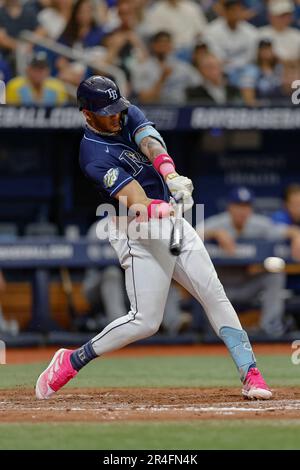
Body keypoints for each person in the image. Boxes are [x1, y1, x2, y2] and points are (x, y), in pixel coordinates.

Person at [36, 75, 273, 401]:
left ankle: (250, 372)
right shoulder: (92, 154)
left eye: (117, 108)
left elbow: (149, 139)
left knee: (212, 291)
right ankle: (72, 359)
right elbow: (136, 198)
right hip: (136, 230)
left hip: (170, 224)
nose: (115, 116)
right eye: (106, 112)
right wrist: (159, 206)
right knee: (145, 321)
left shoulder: (123, 112)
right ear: (87, 114)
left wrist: (170, 173)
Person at [196, 186, 300, 337]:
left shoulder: (257, 223)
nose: (242, 211)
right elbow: (191, 233)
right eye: (238, 206)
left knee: (275, 276)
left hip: (246, 285)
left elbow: (280, 230)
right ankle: (205, 331)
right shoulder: (218, 223)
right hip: (219, 289)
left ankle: (270, 328)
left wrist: (296, 234)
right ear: (230, 207)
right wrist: (215, 233)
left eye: (246, 206)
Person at [132, 31, 201, 104]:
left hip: (181, 108)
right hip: (155, 110)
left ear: (171, 45)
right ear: (153, 45)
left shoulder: (183, 67)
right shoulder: (143, 68)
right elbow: (145, 99)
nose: (164, 46)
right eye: (160, 43)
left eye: (167, 43)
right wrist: (162, 78)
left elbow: (200, 85)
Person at [204, 0, 258, 87]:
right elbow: (215, 56)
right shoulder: (212, 30)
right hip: (222, 69)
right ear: (225, 12)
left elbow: (251, 56)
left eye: (239, 10)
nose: (236, 13)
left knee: (251, 72)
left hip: (244, 68)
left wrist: (238, 64)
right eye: (233, 10)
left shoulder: (251, 32)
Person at [240, 39, 283, 106]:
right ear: (258, 51)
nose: (266, 52)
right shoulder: (250, 70)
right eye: (263, 49)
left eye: (268, 49)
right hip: (260, 110)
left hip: (282, 106)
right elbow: (248, 98)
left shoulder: (279, 68)